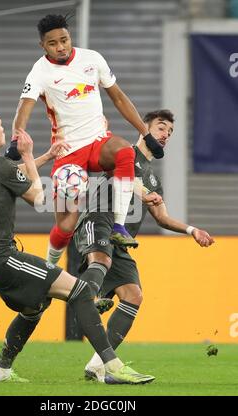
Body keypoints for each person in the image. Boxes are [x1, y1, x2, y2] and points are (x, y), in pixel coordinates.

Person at [0, 104, 156, 385]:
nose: (6, 131)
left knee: (33, 309)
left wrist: (45, 156)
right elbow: (39, 199)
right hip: (2, 257)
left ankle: (2, 370)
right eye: (2, 127)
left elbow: (8, 173)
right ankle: (111, 365)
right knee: (78, 291)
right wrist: (29, 155)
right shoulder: (1, 167)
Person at [5, 13, 164, 265]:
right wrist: (16, 138)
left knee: (125, 152)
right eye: (53, 43)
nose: (61, 47)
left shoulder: (92, 58)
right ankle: (49, 265)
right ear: (42, 46)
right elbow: (23, 107)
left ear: (70, 37)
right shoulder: (39, 72)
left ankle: (119, 227)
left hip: (99, 142)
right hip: (68, 152)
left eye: (64, 40)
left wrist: (146, 133)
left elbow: (119, 99)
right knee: (66, 225)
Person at [72, 109, 215, 382]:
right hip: (98, 221)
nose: (166, 135)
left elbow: (161, 217)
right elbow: (119, 176)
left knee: (134, 296)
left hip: (121, 241)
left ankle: (97, 366)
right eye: (161, 128)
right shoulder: (124, 152)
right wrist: (145, 193)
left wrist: (191, 229)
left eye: (170, 132)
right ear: (144, 129)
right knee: (101, 261)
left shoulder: (153, 178)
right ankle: (92, 294)